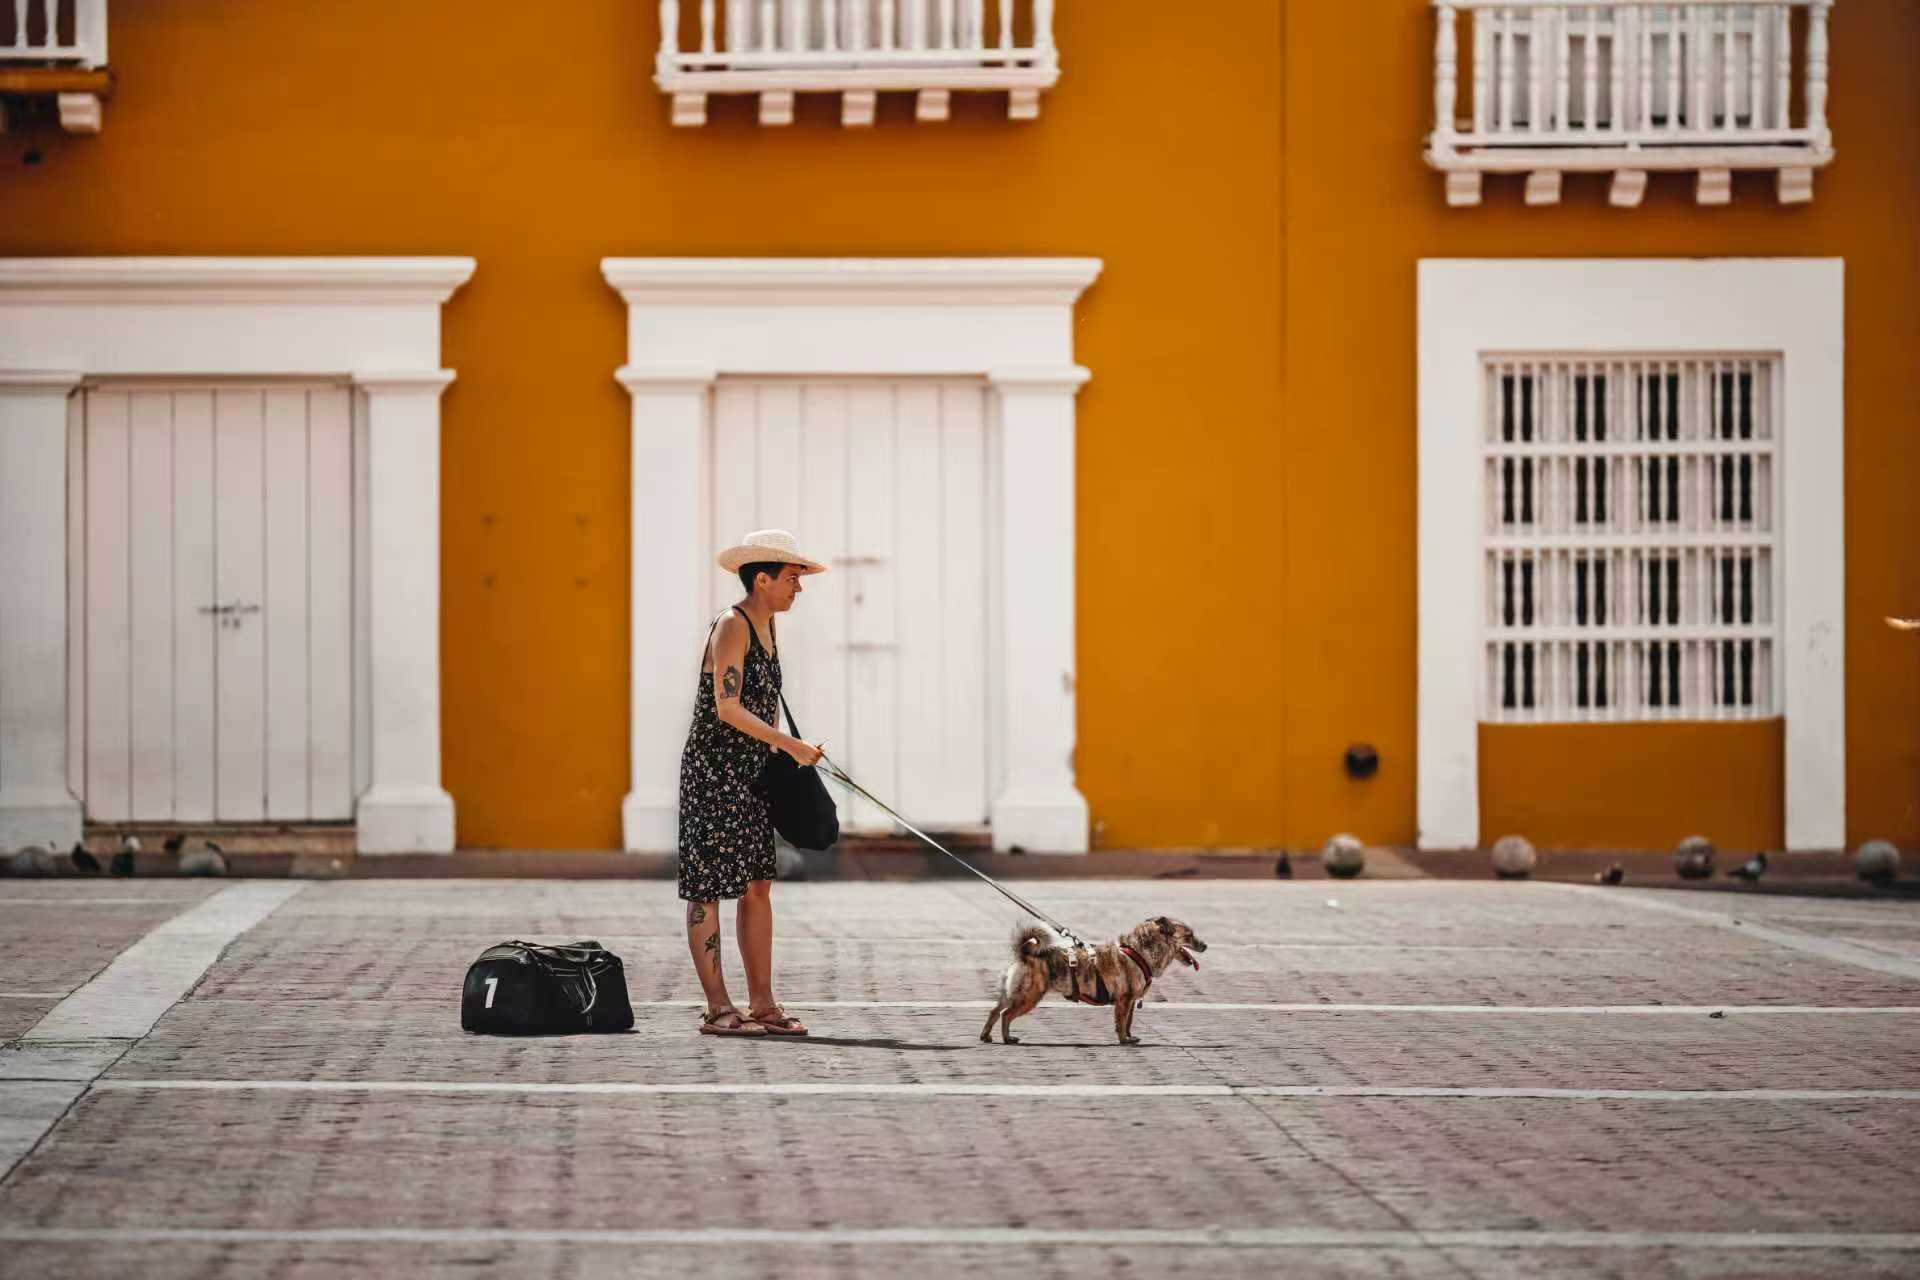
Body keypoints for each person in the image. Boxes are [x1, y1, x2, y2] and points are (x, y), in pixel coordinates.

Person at [678, 529, 827, 1037]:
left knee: (758, 885)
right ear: (761, 579)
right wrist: (789, 745)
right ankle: (718, 1007)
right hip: (714, 774)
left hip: (752, 775)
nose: (798, 589)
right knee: (709, 889)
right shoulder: (732, 626)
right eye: (791, 579)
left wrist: (779, 751)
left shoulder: (767, 627)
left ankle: (763, 1004)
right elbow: (727, 707)